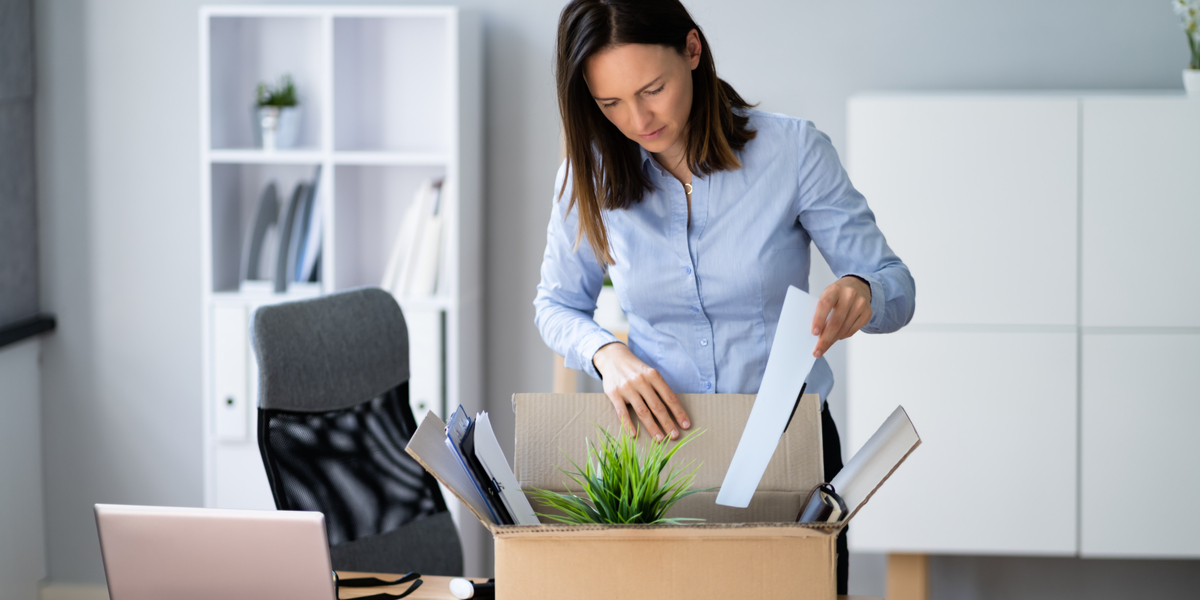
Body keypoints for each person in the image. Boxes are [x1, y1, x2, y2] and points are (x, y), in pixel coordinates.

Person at [533, 0, 915, 592]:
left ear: (692, 50)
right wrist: (606, 354)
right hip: (659, 458)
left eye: (652, 88)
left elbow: (897, 286)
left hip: (791, 448)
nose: (637, 119)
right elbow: (555, 305)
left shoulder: (792, 151)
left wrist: (863, 290)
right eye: (610, 103)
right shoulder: (589, 171)